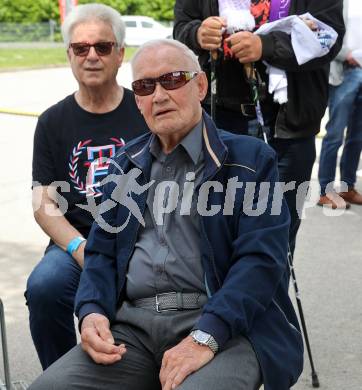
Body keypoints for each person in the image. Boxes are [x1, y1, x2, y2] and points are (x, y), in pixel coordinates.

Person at [29, 39, 303, 390]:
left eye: (172, 79)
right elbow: (100, 253)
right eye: (145, 86)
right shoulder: (123, 165)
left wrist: (206, 336)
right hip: (134, 328)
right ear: (137, 100)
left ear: (200, 86)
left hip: (225, 324)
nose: (158, 95)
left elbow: (261, 262)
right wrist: (92, 310)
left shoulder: (250, 161)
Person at [25, 3, 149, 369]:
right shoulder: (51, 121)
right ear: (69, 55)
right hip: (76, 243)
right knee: (45, 288)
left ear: (120, 53)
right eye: (81, 48)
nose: (91, 56)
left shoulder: (144, 109)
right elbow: (43, 202)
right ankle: (63, 374)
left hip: (140, 239)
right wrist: (80, 247)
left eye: (103, 47)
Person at [173, 0, 345, 256]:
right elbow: (181, 30)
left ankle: (270, 294)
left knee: (277, 238)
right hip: (220, 120)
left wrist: (267, 46)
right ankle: (224, 296)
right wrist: (198, 33)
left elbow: (329, 36)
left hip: (288, 127)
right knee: (217, 231)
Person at [317, 0, 362, 209]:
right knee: (335, 133)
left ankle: (347, 187)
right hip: (345, 71)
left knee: (358, 136)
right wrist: (348, 55)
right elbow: (327, 32)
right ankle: (326, 191)